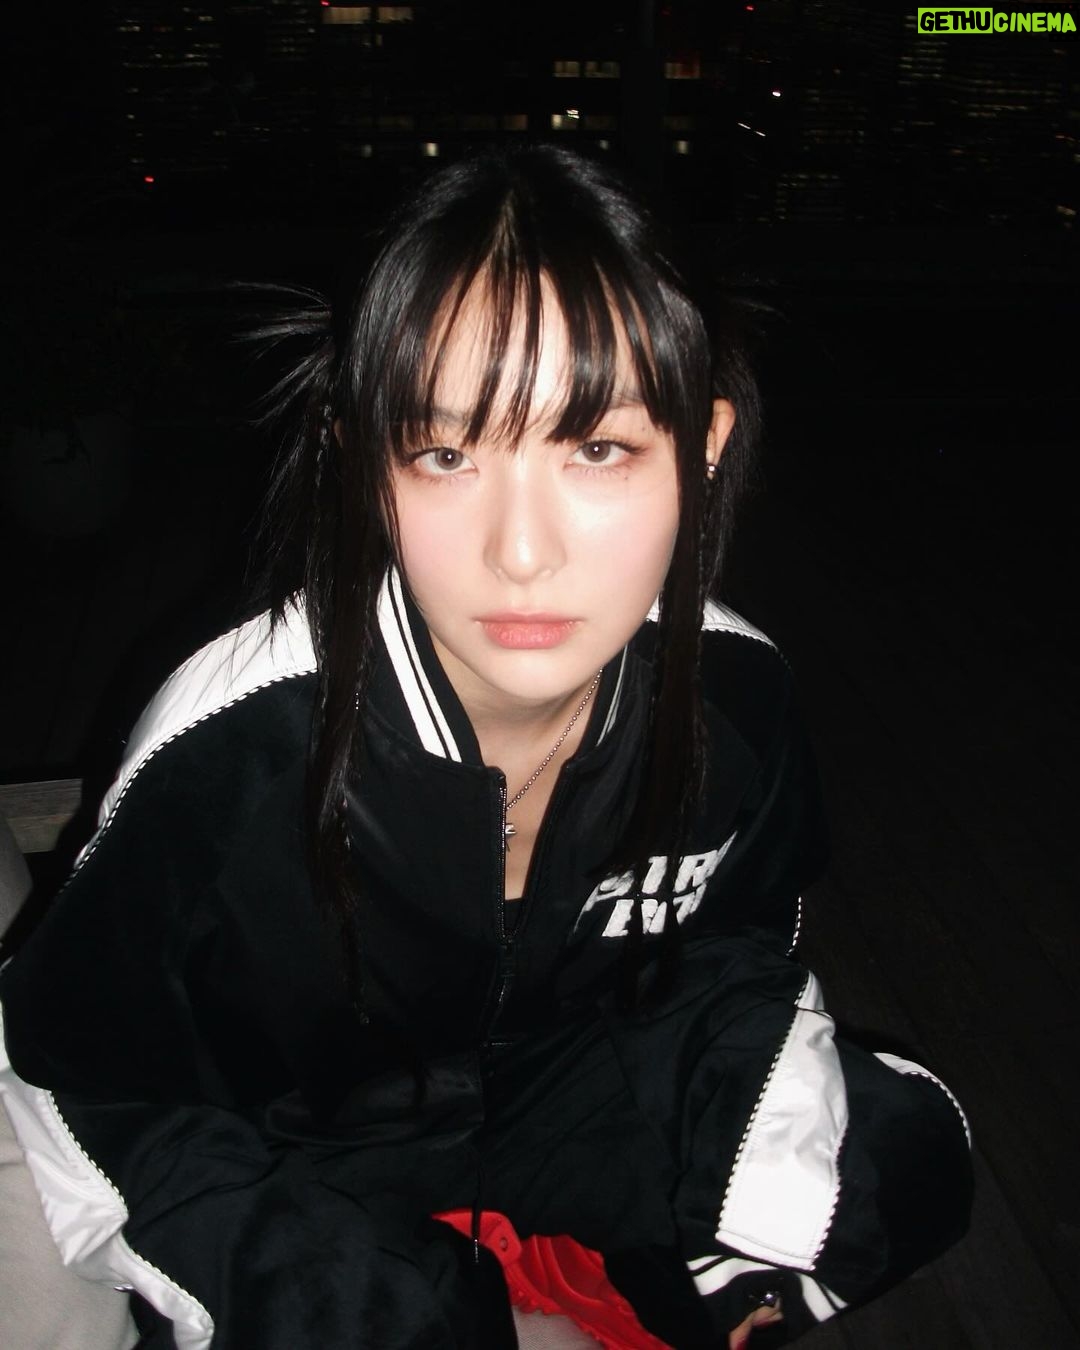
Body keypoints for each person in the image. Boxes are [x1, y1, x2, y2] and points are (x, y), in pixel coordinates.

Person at [0, 144, 971, 1349]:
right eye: (446, 454)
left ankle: (660, 1278)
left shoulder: (737, 694)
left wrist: (771, 1165)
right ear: (362, 459)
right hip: (306, 1146)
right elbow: (94, 1083)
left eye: (598, 448)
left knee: (901, 1158)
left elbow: (733, 954)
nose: (521, 552)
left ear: (702, 442)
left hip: (567, 1094)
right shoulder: (230, 755)